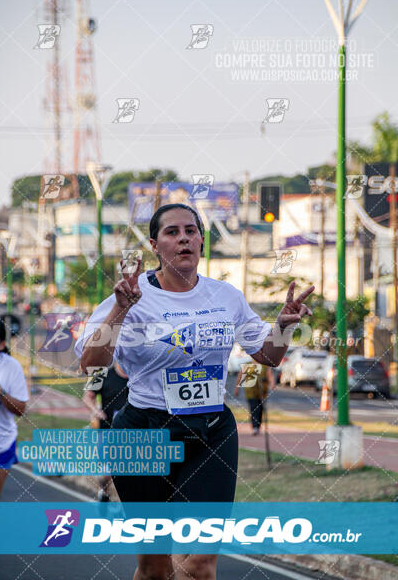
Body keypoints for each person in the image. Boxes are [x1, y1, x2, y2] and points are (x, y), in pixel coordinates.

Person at [75, 203, 314, 580]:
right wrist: (120, 310)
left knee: (201, 564)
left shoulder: (225, 296)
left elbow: (268, 355)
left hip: (211, 431)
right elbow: (90, 364)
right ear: (155, 244)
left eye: (191, 230)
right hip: (143, 431)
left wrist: (284, 326)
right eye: (172, 232)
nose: (183, 238)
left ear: (202, 240)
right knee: (155, 567)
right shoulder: (131, 296)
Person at [83, 361, 129, 501]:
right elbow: (87, 397)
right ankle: (103, 491)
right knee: (106, 472)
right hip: (107, 429)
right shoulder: (100, 373)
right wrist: (96, 411)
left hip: (131, 432)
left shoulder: (138, 375)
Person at [0, 319, 29, 500]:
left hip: (2, 444)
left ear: (2, 344)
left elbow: (21, 409)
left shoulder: (11, 367)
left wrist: (1, 391)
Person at [234, 358, 275, 435]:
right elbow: (240, 376)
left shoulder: (265, 366)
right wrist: (237, 389)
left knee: (260, 409)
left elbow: (270, 376)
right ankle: (255, 427)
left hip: (262, 392)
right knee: (253, 408)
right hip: (250, 392)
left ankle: (258, 426)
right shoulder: (247, 365)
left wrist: (272, 384)